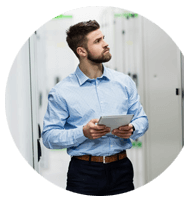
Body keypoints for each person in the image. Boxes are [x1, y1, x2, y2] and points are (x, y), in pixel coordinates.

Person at [42, 20, 149, 196]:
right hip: (84, 173)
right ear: (82, 51)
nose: (106, 44)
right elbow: (49, 137)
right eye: (98, 41)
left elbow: (142, 119)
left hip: (121, 169)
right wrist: (82, 133)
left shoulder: (124, 82)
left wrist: (132, 128)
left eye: (103, 38)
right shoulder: (61, 92)